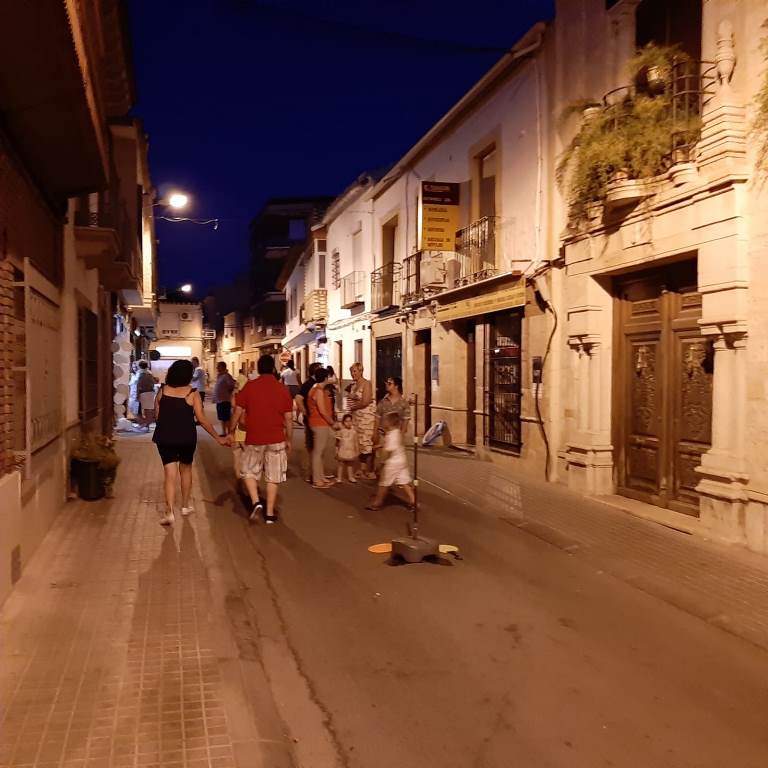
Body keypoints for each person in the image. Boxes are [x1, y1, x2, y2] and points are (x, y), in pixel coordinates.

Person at [152, 359, 229, 526]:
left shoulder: (162, 390)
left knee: (169, 473)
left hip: (165, 437)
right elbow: (202, 419)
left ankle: (169, 512)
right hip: (186, 437)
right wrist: (218, 438)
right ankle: (185, 506)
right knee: (186, 469)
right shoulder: (192, 393)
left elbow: (157, 416)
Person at [230, 355, 293, 523]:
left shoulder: (250, 387)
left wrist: (231, 431)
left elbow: (237, 411)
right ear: (273, 369)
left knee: (248, 471)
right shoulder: (282, 389)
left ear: (258, 369)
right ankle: (270, 513)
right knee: (274, 476)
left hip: (254, 437)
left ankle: (256, 501)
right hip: (277, 437)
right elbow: (288, 418)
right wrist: (289, 439)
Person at [365, 412, 415, 511]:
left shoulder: (392, 435)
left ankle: (377, 503)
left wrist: (381, 463)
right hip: (401, 460)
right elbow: (392, 445)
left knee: (384, 483)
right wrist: (380, 446)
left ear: (390, 423)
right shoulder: (396, 432)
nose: (382, 422)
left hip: (392, 463)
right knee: (403, 481)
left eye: (384, 420)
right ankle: (413, 500)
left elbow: (387, 451)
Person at [307, 368, 337, 489]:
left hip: (318, 423)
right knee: (318, 452)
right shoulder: (318, 390)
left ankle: (321, 477)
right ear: (325, 378)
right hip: (319, 423)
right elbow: (322, 411)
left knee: (319, 452)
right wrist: (332, 423)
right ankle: (317, 480)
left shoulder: (316, 388)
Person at [348, 362, 377, 479]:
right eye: (351, 371)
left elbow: (365, 401)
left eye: (354, 371)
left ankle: (369, 470)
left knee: (367, 444)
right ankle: (361, 468)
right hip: (356, 418)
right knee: (359, 444)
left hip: (366, 419)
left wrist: (353, 406)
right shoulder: (354, 385)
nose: (352, 374)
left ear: (361, 371)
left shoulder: (366, 384)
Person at [296, 362, 322, 481]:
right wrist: (305, 412)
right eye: (320, 369)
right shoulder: (309, 384)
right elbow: (298, 398)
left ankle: (316, 473)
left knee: (316, 446)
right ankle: (308, 473)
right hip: (311, 420)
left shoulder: (315, 384)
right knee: (310, 446)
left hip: (316, 419)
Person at [212, 361, 236, 436]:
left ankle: (229, 433)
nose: (217, 368)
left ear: (222, 367)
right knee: (222, 418)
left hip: (224, 400)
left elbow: (231, 385)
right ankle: (224, 432)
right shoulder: (220, 376)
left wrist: (227, 393)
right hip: (219, 400)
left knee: (227, 418)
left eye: (218, 366)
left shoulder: (226, 376)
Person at [335, 413, 359, 484]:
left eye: (350, 421)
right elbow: (337, 442)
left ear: (352, 422)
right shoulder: (341, 431)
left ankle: (350, 477)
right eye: (346, 421)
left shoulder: (354, 432)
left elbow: (356, 442)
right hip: (342, 450)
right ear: (343, 422)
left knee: (350, 464)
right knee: (341, 464)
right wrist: (336, 451)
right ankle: (339, 477)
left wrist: (357, 451)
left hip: (350, 450)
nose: (348, 423)